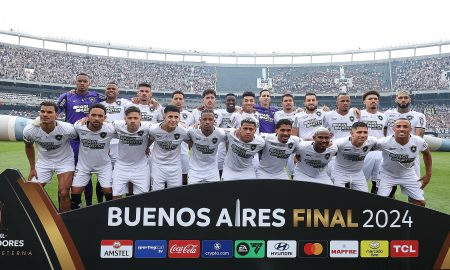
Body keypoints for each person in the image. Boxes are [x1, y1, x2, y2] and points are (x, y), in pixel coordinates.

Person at [56, 73, 104, 206]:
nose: (82, 83)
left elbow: (113, 100)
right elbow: (55, 112)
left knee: (86, 173)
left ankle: (87, 204)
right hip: (72, 141)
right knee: (68, 173)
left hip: (89, 141)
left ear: (89, 83)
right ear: (75, 82)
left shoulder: (97, 97)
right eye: (79, 81)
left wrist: (134, 99)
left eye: (85, 81)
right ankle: (66, 206)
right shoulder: (67, 96)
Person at [23, 101, 77, 212]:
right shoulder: (30, 130)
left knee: (63, 192)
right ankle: (41, 218)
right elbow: (28, 147)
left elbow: (80, 139)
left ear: (57, 115)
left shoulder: (68, 129)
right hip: (44, 162)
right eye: (42, 111)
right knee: (32, 192)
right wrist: (32, 168)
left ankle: (65, 221)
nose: (45, 114)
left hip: (64, 161)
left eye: (49, 112)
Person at [376, 118, 432, 207]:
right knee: (381, 203)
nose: (401, 129)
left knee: (421, 203)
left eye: (405, 126)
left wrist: (428, 174)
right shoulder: (384, 142)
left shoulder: (419, 141)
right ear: (393, 129)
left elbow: (427, 154)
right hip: (387, 174)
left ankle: (411, 218)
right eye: (398, 126)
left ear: (410, 129)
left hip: (408, 174)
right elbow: (366, 148)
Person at [71, 104, 116, 209]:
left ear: (105, 118)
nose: (96, 118)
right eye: (93, 115)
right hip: (83, 166)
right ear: (88, 116)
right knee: (75, 191)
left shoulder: (110, 129)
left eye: (100, 116)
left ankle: (108, 214)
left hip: (104, 166)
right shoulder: (79, 126)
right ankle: (77, 212)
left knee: (108, 191)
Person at [99, 82, 132, 201]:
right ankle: (101, 203)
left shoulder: (125, 103)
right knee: (104, 177)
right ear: (105, 91)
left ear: (118, 91)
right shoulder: (100, 105)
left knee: (123, 176)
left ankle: (124, 202)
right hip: (104, 143)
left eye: (113, 88)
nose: (111, 90)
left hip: (121, 145)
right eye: (108, 88)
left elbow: (136, 109)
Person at [112, 106, 152, 199]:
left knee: (142, 198)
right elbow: (104, 125)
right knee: (116, 196)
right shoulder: (117, 125)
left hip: (141, 168)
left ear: (140, 119)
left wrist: (147, 145)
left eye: (135, 118)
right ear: (124, 119)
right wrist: (86, 119)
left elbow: (159, 130)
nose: (133, 120)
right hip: (121, 167)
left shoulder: (148, 127)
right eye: (130, 118)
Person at [149, 105, 188, 191]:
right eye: (170, 116)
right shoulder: (153, 129)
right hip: (158, 166)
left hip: (175, 167)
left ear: (179, 118)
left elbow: (192, 142)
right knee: (156, 194)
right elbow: (150, 139)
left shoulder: (183, 131)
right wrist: (147, 147)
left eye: (176, 117)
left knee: (174, 195)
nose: (173, 120)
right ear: (164, 117)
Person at [332, 122, 378, 192]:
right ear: (352, 133)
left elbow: (386, 143)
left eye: (365, 132)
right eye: (359, 132)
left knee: (364, 197)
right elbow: (323, 146)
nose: (362, 135)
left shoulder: (372, 141)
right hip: (340, 173)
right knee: (340, 196)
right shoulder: (340, 143)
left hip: (358, 173)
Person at [185, 109, 227, 184]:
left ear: (214, 121)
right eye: (204, 119)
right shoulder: (192, 131)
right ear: (200, 120)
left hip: (212, 171)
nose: (207, 122)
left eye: (210, 119)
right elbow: (184, 137)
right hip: (195, 171)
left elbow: (231, 137)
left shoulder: (220, 133)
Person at [360, 90, 387, 193]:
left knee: (378, 182)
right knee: (360, 180)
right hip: (364, 152)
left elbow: (384, 133)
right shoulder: (359, 114)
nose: (373, 101)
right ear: (364, 102)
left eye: (375, 99)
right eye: (370, 99)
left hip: (380, 153)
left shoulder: (384, 116)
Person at [171, 90, 195, 185]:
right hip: (168, 152)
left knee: (184, 178)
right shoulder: (164, 112)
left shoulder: (190, 115)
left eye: (180, 99)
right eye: (176, 98)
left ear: (183, 101)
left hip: (184, 152)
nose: (178, 101)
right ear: (172, 100)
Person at [217, 93, 240, 177]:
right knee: (220, 168)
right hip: (222, 145)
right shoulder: (220, 113)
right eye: (229, 100)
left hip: (235, 145)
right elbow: (215, 127)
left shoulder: (239, 113)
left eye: (233, 100)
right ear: (225, 102)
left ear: (236, 102)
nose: (231, 102)